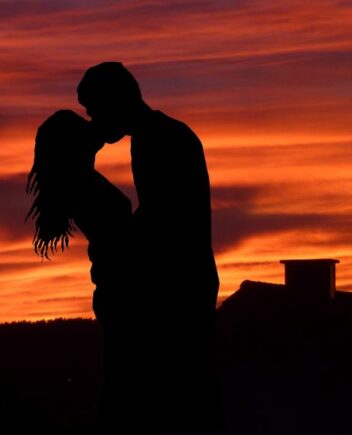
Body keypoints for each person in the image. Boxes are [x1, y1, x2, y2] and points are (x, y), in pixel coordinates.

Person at [76, 62, 223, 432]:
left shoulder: (158, 140)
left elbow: (163, 218)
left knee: (169, 401)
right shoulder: (160, 135)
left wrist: (115, 245)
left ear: (116, 102)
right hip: (186, 282)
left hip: (176, 290)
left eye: (94, 109)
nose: (92, 119)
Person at [26, 110, 144, 430]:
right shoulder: (82, 185)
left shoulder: (80, 183)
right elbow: (121, 234)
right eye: (82, 130)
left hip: (116, 289)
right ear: (73, 147)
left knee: (122, 380)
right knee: (125, 384)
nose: (90, 129)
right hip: (121, 291)